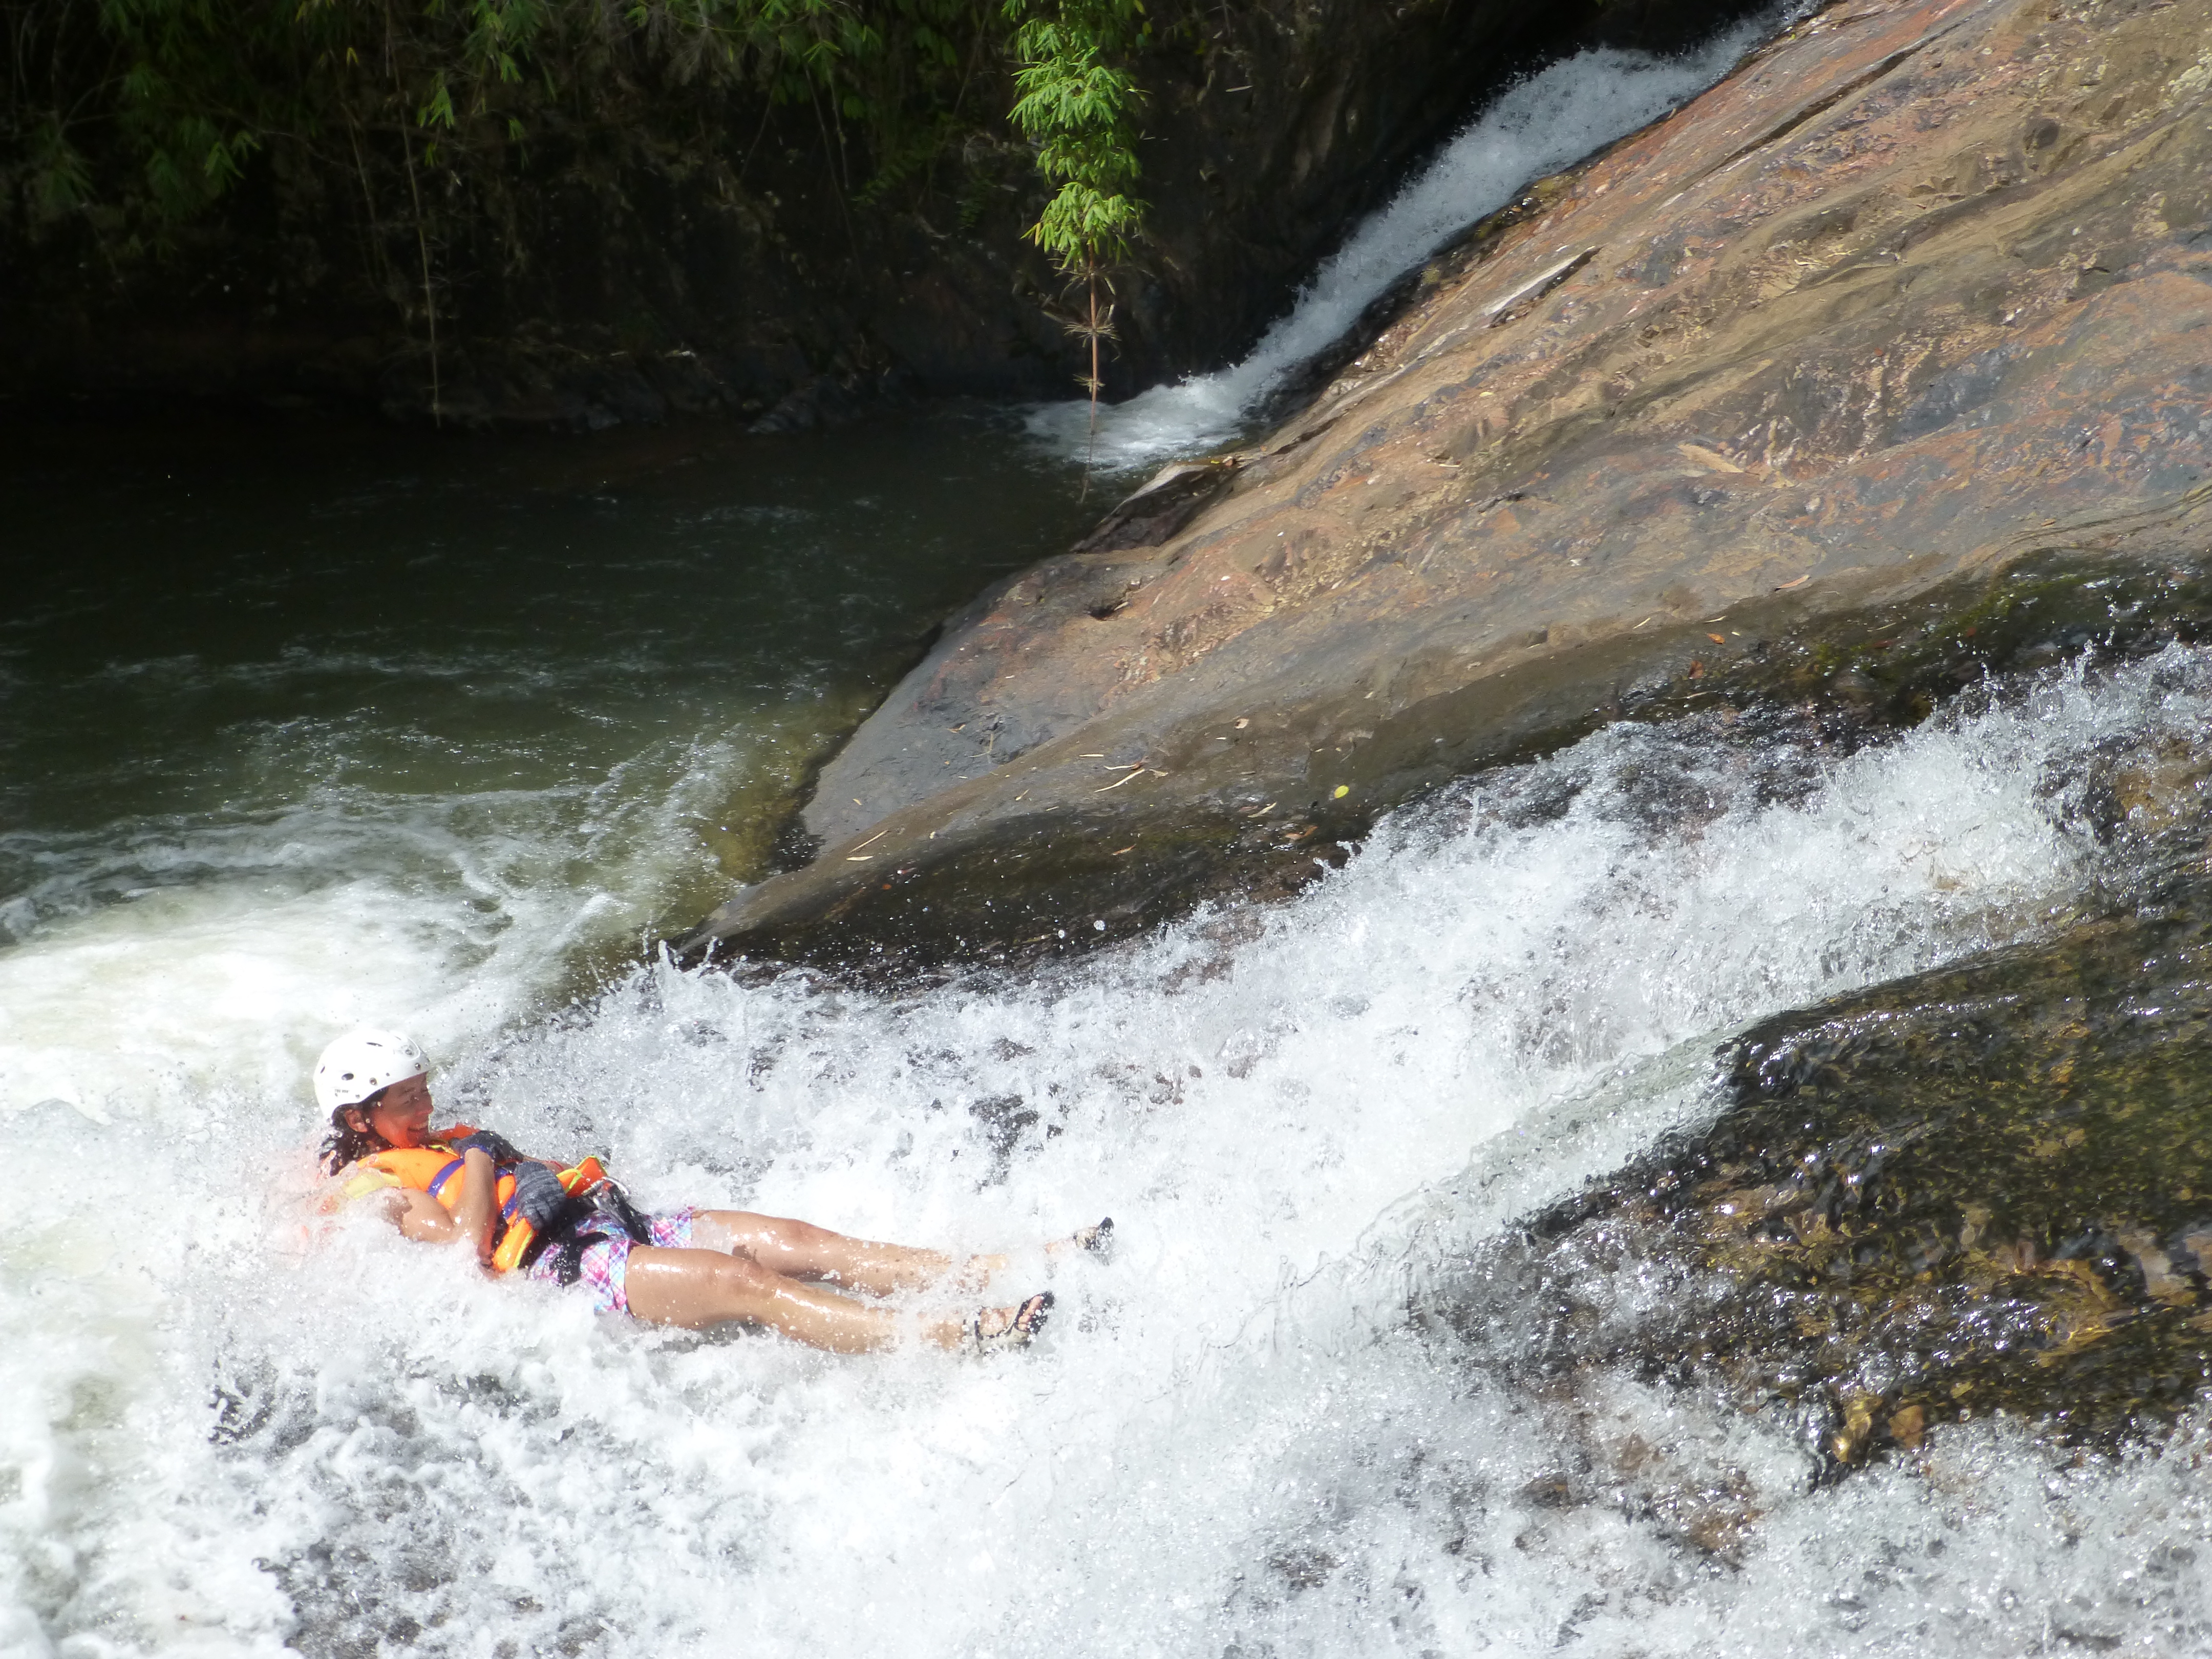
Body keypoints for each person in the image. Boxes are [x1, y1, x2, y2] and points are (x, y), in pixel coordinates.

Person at [314, 1028, 1104, 1353]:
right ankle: (967, 1335)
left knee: (801, 1240)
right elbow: (464, 1254)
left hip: (615, 1226)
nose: (427, 1108)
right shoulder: (380, 1187)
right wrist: (486, 1161)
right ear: (361, 1117)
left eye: (424, 1091)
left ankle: (1004, 1263)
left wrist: (561, 1169)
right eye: (408, 1100)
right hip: (572, 1272)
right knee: (744, 1281)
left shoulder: (446, 1142)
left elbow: (534, 1178)